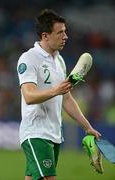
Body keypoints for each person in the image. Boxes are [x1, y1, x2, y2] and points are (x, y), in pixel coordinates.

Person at [17, 9, 101, 180]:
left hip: (54, 134)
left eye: (65, 31)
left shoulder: (59, 61)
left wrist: (87, 126)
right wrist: (56, 90)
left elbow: (67, 99)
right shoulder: (29, 58)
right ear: (45, 36)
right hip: (36, 133)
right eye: (60, 32)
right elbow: (29, 96)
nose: (65, 36)